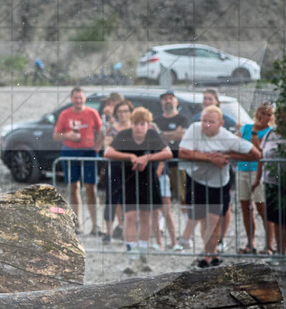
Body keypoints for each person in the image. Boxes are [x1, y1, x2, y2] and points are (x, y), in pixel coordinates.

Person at [179, 105, 260, 268]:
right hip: (196, 180)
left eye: (211, 122)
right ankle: (210, 254)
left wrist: (228, 156)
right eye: (204, 121)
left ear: (221, 123)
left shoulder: (228, 138)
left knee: (213, 222)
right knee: (202, 221)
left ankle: (209, 255)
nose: (206, 124)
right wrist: (209, 158)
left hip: (218, 184)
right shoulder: (194, 129)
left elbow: (255, 154)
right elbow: (182, 152)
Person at [103, 107, 173, 274]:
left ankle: (143, 255)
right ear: (132, 124)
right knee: (130, 216)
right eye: (136, 124)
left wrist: (147, 157)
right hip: (128, 180)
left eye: (142, 124)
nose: (138, 127)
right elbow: (108, 151)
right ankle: (132, 256)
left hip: (148, 180)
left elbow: (167, 153)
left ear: (148, 125)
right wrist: (130, 157)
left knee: (146, 217)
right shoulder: (124, 135)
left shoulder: (152, 135)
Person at [53, 86, 102, 235]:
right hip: (70, 152)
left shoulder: (92, 113)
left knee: (91, 189)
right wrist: (67, 136)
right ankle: (77, 224)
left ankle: (95, 225)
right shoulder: (65, 114)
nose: (78, 100)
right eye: (76, 98)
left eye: (81, 97)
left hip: (88, 152)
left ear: (85, 99)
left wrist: (97, 148)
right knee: (73, 188)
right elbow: (56, 135)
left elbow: (102, 131)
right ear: (71, 99)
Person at [252, 109, 286, 260]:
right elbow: (261, 157)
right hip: (271, 182)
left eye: (285, 117)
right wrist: (257, 180)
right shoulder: (270, 134)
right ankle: (280, 253)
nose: (281, 120)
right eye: (279, 117)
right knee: (277, 219)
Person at [152, 90, 190, 251]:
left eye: (170, 98)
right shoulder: (157, 119)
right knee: (161, 202)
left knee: (183, 198)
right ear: (161, 102)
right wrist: (172, 135)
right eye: (165, 99)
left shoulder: (183, 118)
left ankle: (186, 236)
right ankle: (160, 233)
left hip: (179, 162)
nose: (168, 101)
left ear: (176, 101)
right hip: (163, 163)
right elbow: (158, 137)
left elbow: (183, 135)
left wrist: (165, 135)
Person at [236, 103, 275, 255]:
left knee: (262, 207)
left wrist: (253, 136)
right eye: (261, 113)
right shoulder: (245, 128)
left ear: (271, 118)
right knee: (246, 207)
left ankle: (269, 244)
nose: (263, 117)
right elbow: (235, 145)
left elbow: (259, 152)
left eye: (267, 114)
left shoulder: (269, 132)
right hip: (242, 169)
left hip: (259, 171)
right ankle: (250, 242)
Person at [99, 99, 132, 242]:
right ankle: (108, 232)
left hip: (131, 169)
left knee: (129, 201)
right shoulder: (112, 128)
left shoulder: (135, 128)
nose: (123, 114)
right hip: (114, 167)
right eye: (120, 111)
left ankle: (126, 230)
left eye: (126, 111)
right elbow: (107, 149)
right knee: (111, 200)